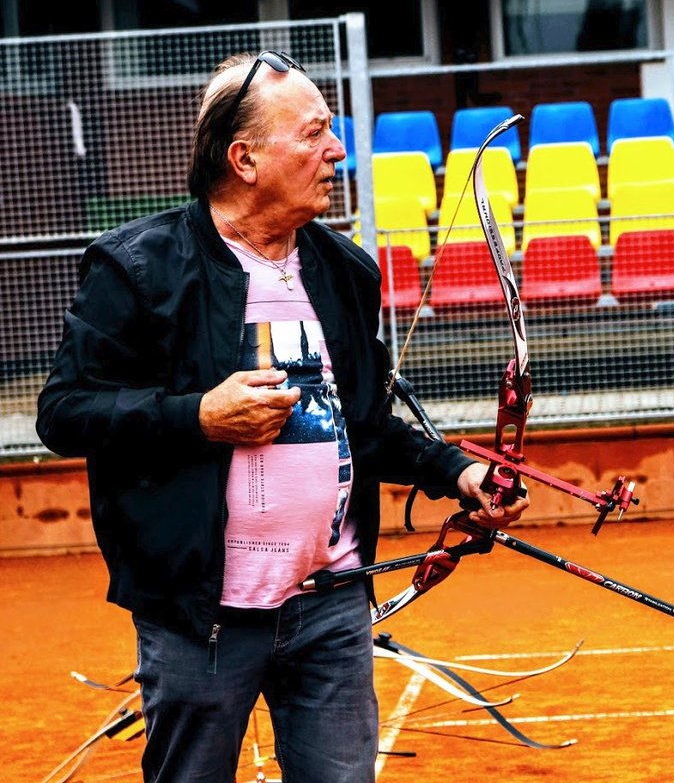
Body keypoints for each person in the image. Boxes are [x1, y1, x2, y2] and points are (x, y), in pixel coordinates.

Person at [36, 50, 527, 782]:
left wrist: (455, 470)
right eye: (314, 134)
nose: (336, 151)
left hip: (329, 604)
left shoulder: (344, 268)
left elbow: (362, 421)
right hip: (201, 614)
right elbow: (64, 412)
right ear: (245, 158)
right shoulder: (139, 266)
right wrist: (199, 416)